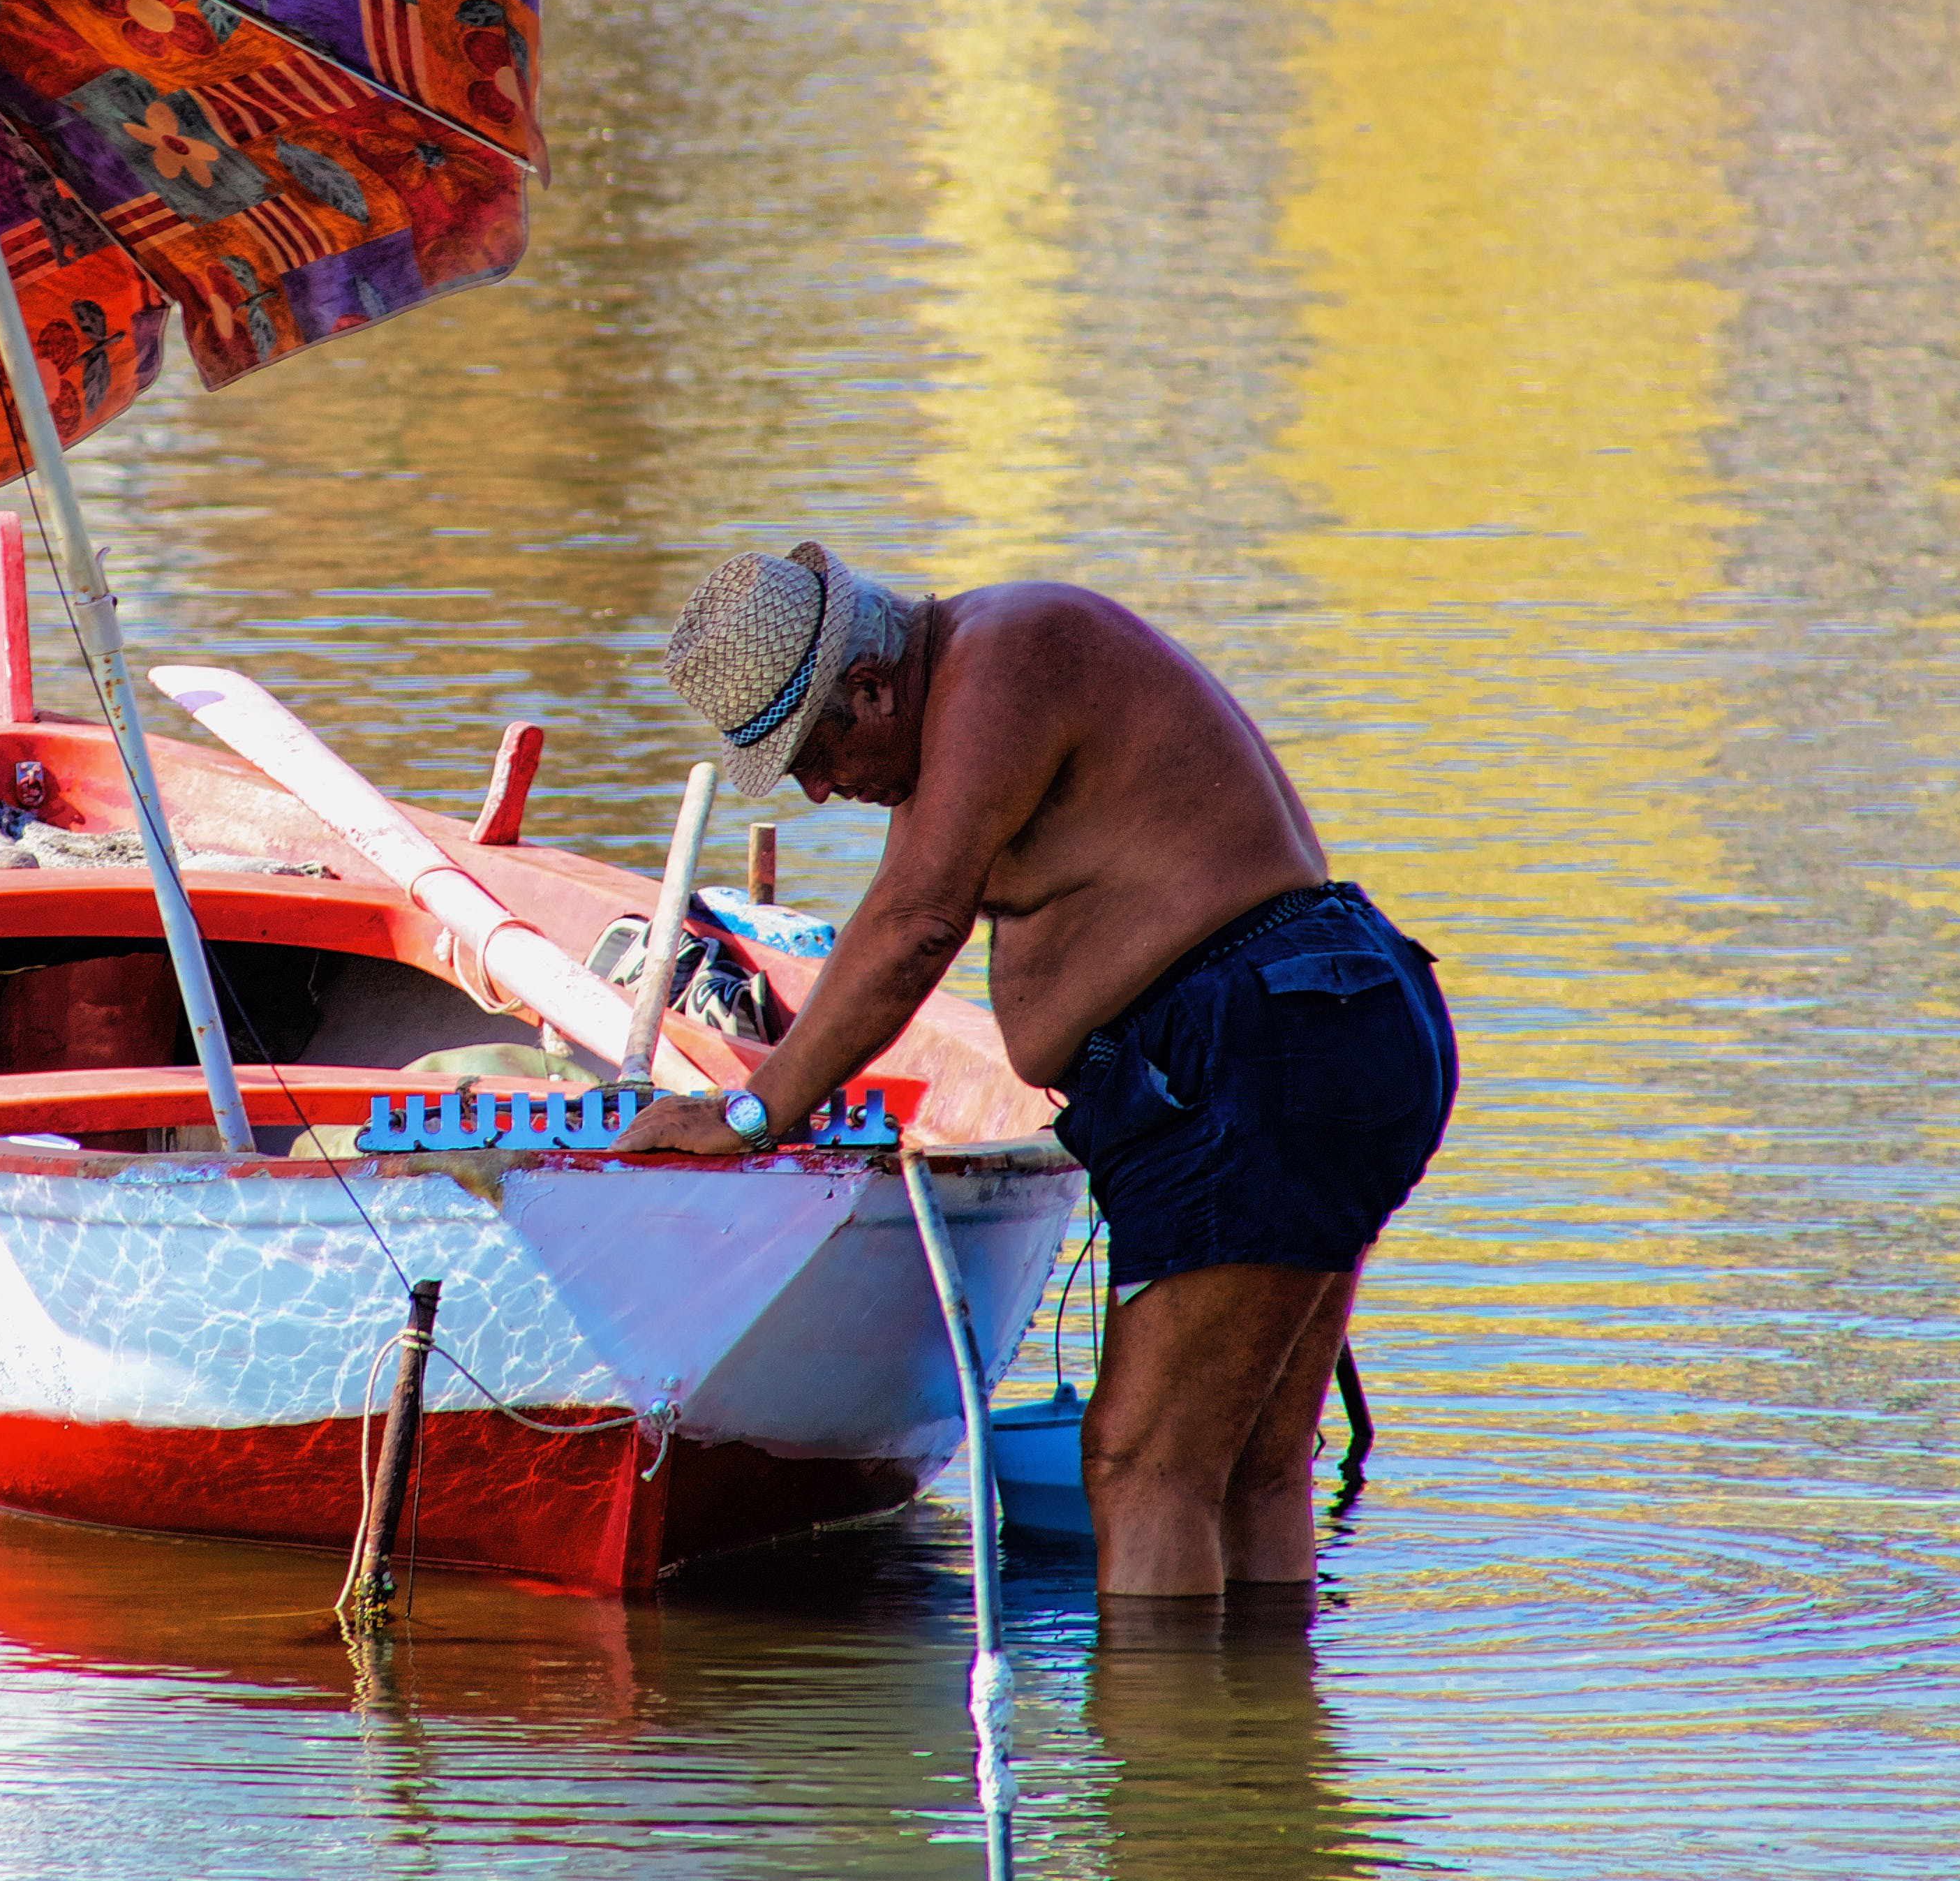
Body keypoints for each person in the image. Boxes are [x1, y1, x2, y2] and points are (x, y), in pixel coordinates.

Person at [616, 543, 1454, 1599]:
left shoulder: (1009, 652)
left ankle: (1157, 1760)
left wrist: (753, 1112)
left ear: (871, 690)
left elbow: (916, 927)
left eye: (812, 755)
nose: (822, 792)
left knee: (1142, 1463)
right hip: (1322, 1024)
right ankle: (1248, 1755)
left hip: (1259, 1046)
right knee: (1245, 1471)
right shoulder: (967, 701)